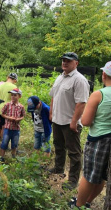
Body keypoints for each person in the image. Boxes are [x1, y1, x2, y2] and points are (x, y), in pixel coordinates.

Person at [69, 61, 111, 208]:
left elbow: (86, 121)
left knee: (89, 176)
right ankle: (88, 202)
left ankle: (78, 205)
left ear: (103, 74)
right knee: (103, 176)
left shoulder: (98, 95)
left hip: (98, 140)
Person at [48, 52, 90, 190]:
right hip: (57, 120)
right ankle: (59, 169)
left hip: (69, 122)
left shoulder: (79, 80)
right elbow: (53, 96)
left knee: (74, 152)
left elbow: (81, 103)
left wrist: (74, 122)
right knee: (58, 146)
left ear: (76, 63)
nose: (64, 63)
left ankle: (73, 180)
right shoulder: (60, 77)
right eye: (63, 60)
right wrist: (51, 112)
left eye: (68, 61)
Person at [0, 88, 25, 161]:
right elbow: (2, 113)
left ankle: (13, 156)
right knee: (4, 142)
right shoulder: (7, 105)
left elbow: (23, 116)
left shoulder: (21, 107)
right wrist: (9, 117)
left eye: (15, 95)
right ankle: (1, 157)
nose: (13, 97)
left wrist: (19, 119)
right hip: (8, 127)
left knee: (15, 143)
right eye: (12, 95)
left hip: (16, 128)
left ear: (19, 96)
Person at [0, 73, 17, 141]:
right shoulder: (14, 87)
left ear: (7, 77)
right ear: (14, 80)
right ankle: (4, 142)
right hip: (8, 109)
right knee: (7, 127)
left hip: (0, 108)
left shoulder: (0, 86)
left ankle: (0, 138)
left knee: (1, 126)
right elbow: (15, 99)